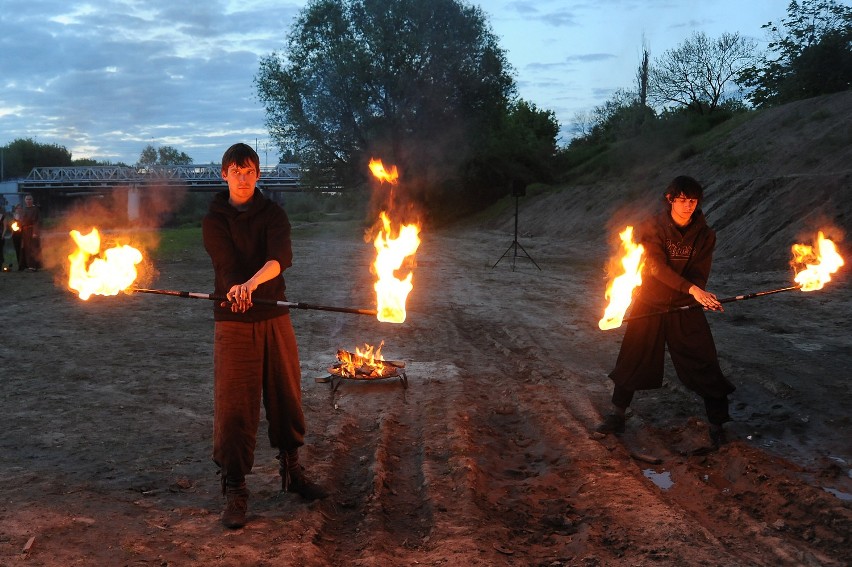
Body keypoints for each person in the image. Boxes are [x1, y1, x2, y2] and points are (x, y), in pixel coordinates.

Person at [202, 143, 327, 530]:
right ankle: (236, 489)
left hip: (274, 313)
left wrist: (252, 285)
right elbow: (224, 263)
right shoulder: (214, 218)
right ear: (224, 174)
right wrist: (236, 288)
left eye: (250, 170)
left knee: (286, 396)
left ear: (258, 174)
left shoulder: (274, 213)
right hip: (233, 320)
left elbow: (278, 259)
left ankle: (292, 472)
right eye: (236, 170)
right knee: (235, 408)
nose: (243, 177)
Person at [596, 175, 735, 447]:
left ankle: (718, 423)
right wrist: (692, 289)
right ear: (670, 199)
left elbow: (699, 272)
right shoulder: (653, 228)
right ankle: (617, 414)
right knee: (633, 357)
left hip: (684, 304)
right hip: (650, 301)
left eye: (693, 200)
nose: (688, 206)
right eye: (682, 200)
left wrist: (701, 294)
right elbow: (656, 267)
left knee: (703, 359)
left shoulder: (706, 235)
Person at [19, 194, 42, 271]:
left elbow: (37, 221)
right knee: (26, 248)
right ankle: (28, 265)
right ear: (25, 201)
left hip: (32, 230)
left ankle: (34, 266)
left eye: (30, 199)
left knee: (33, 248)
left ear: (32, 200)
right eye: (27, 199)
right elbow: (21, 221)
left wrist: (35, 232)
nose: (28, 201)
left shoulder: (35, 209)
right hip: (25, 231)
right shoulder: (24, 209)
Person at [11, 204, 24, 270]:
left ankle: (23, 265)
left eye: (20, 208)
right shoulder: (14, 216)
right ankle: (19, 265)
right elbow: (12, 225)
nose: (18, 209)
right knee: (17, 249)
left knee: (22, 249)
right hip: (15, 235)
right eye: (17, 208)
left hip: (22, 234)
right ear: (15, 209)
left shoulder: (23, 216)